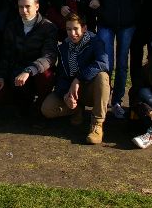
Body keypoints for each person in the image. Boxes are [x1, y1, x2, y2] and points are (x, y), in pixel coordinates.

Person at [89, 0, 140, 119]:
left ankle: (117, 100)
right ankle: (103, 98)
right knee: (106, 62)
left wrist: (132, 16)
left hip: (127, 25)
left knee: (122, 65)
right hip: (106, 23)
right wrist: (97, 4)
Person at [0, 0, 58, 116]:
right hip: (15, 74)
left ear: (37, 6)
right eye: (21, 7)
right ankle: (21, 102)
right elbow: (5, 55)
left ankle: (40, 106)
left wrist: (29, 70)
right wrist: (1, 77)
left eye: (27, 6)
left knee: (47, 75)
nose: (24, 11)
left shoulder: (48, 27)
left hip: (35, 74)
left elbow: (49, 56)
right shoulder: (12, 26)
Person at [41, 13, 110, 145]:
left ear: (84, 28)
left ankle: (97, 124)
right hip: (72, 91)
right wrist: (65, 95)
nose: (72, 33)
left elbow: (103, 63)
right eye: (68, 29)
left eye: (76, 29)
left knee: (103, 76)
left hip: (90, 89)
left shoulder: (95, 42)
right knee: (47, 109)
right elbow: (61, 76)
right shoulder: (63, 48)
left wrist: (78, 79)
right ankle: (76, 109)